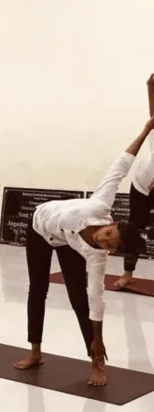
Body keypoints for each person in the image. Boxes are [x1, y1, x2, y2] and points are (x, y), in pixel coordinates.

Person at [15, 117, 152, 386]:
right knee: (37, 289)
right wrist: (146, 130)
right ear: (111, 224)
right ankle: (34, 351)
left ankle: (96, 363)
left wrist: (98, 340)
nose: (103, 239)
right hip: (39, 228)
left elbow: (96, 299)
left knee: (79, 297)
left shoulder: (96, 254)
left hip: (66, 241)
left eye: (108, 245)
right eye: (108, 234)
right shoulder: (100, 205)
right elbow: (121, 165)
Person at [115, 75, 154, 290]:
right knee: (134, 226)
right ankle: (127, 272)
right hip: (141, 184)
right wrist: (150, 87)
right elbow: (153, 113)